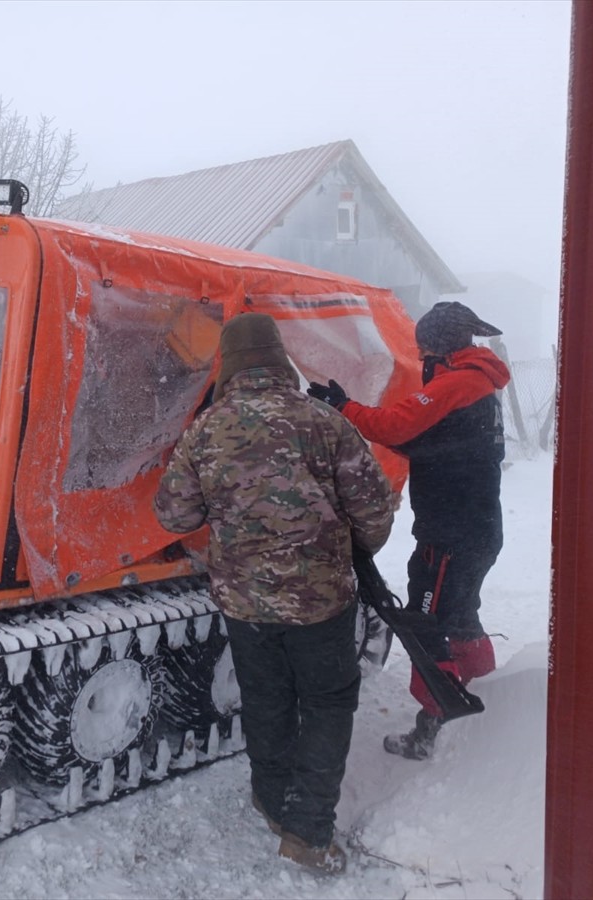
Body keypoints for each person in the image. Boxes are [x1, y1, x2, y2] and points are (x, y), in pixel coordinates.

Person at [154, 313, 395, 874]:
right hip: (321, 603)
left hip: (245, 605)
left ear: (231, 364)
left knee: (266, 699)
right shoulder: (324, 423)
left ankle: (270, 797)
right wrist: (342, 550)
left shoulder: (207, 429)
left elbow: (172, 514)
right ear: (280, 359)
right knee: (328, 703)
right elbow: (375, 510)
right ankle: (309, 833)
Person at [308, 300, 511, 760]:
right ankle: (487, 699)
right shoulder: (480, 384)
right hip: (477, 528)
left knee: (425, 624)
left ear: (439, 348)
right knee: (461, 616)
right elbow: (425, 440)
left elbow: (396, 426)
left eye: (423, 355)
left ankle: (431, 729)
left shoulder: (456, 384)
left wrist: (342, 406)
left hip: (450, 535)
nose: (422, 364)